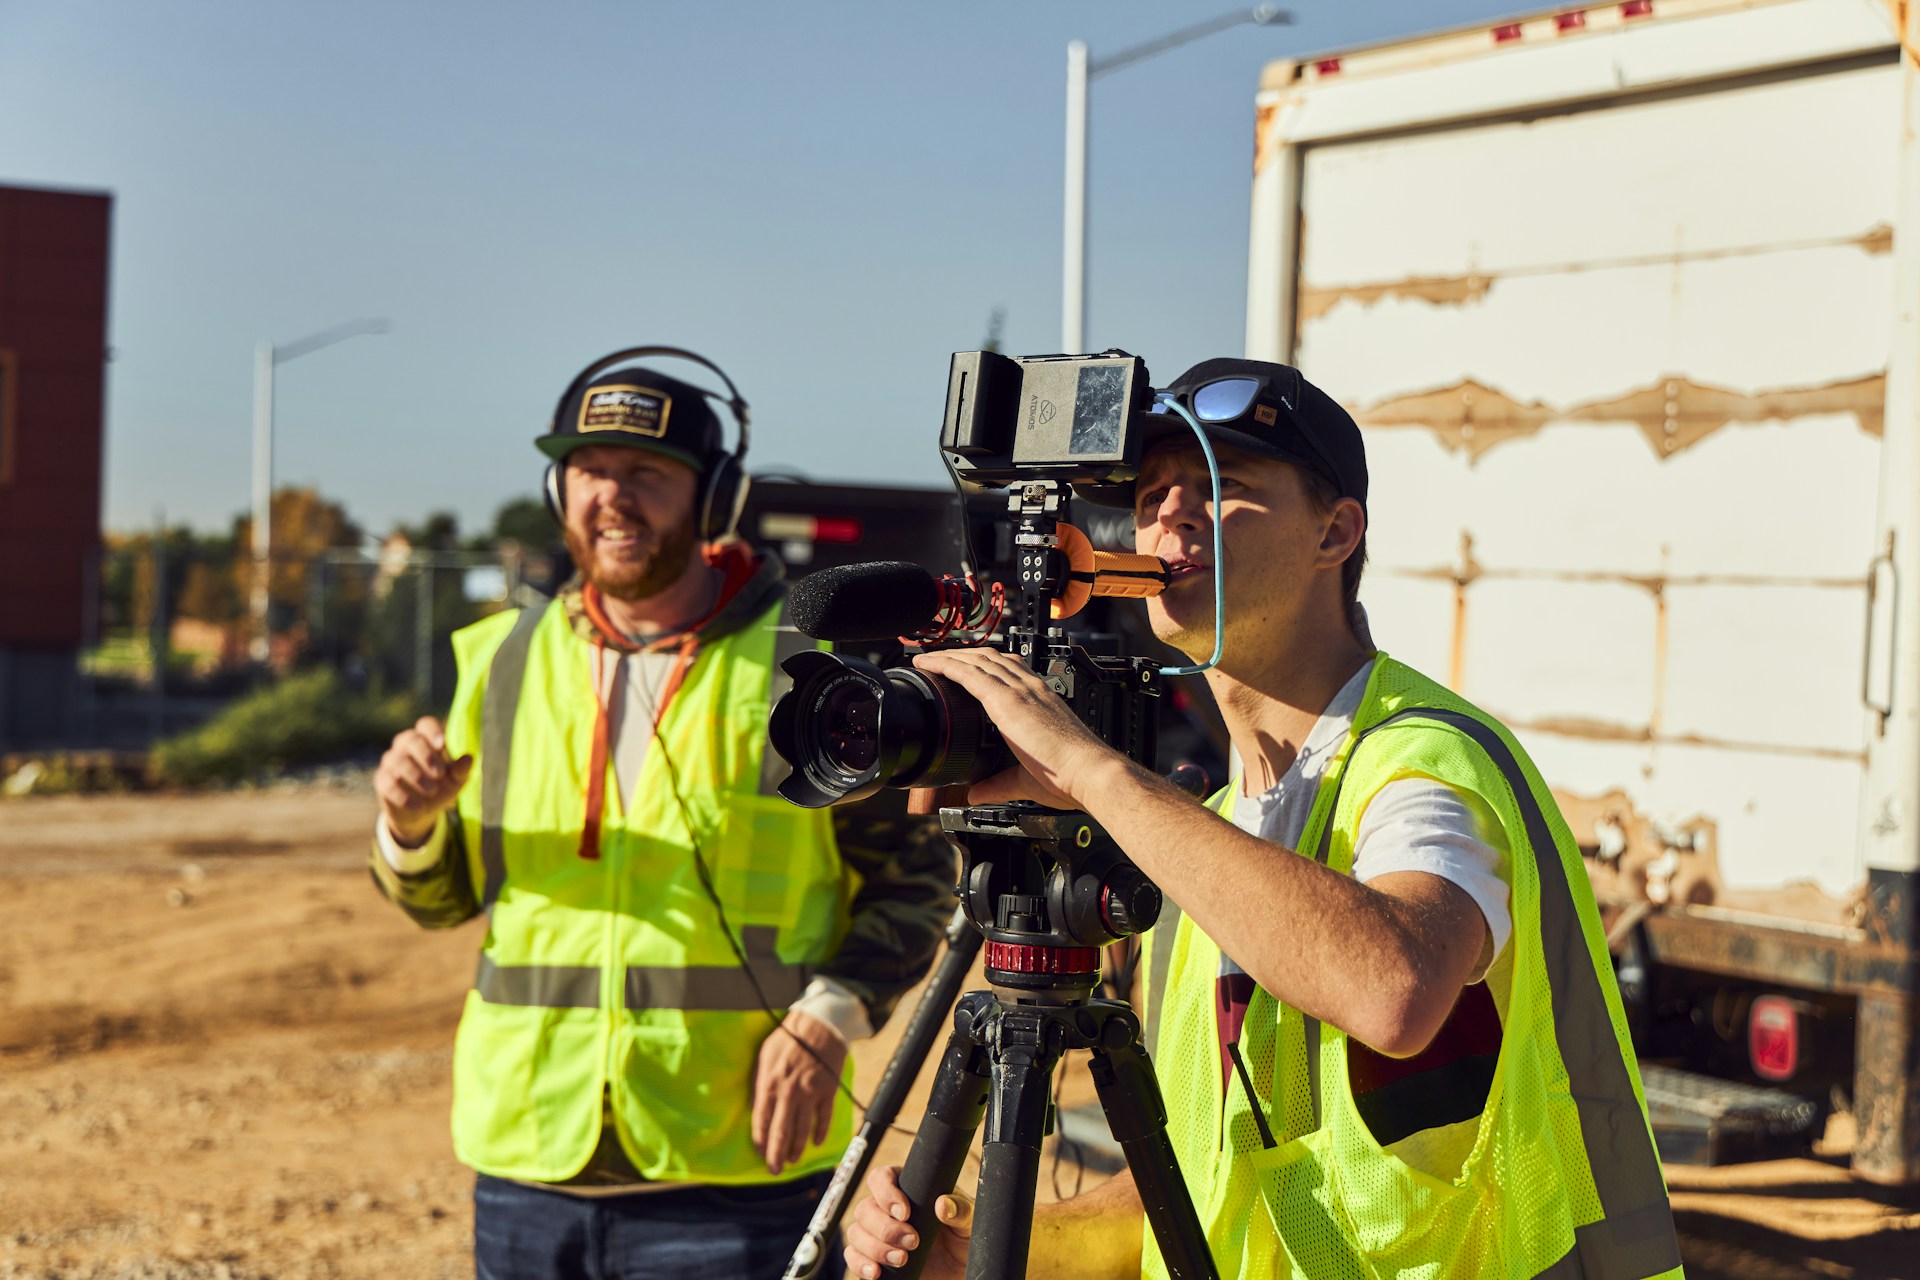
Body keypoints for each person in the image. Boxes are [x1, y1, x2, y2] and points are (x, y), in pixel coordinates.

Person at [844, 358, 1684, 1279]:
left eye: (1223, 486)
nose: (1171, 514)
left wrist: (1089, 772)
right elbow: (1194, 1188)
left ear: (1336, 533)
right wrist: (967, 1252)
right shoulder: (1200, 832)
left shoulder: (1424, 759)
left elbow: (1395, 988)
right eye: (1154, 492)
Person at [368, 359, 954, 1280]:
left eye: (647, 473)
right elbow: (444, 902)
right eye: (591, 469)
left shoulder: (809, 671)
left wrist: (831, 1015)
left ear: (714, 497)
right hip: (527, 1166)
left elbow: (916, 874)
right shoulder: (501, 662)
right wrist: (409, 827)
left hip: (735, 1171)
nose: (613, 497)